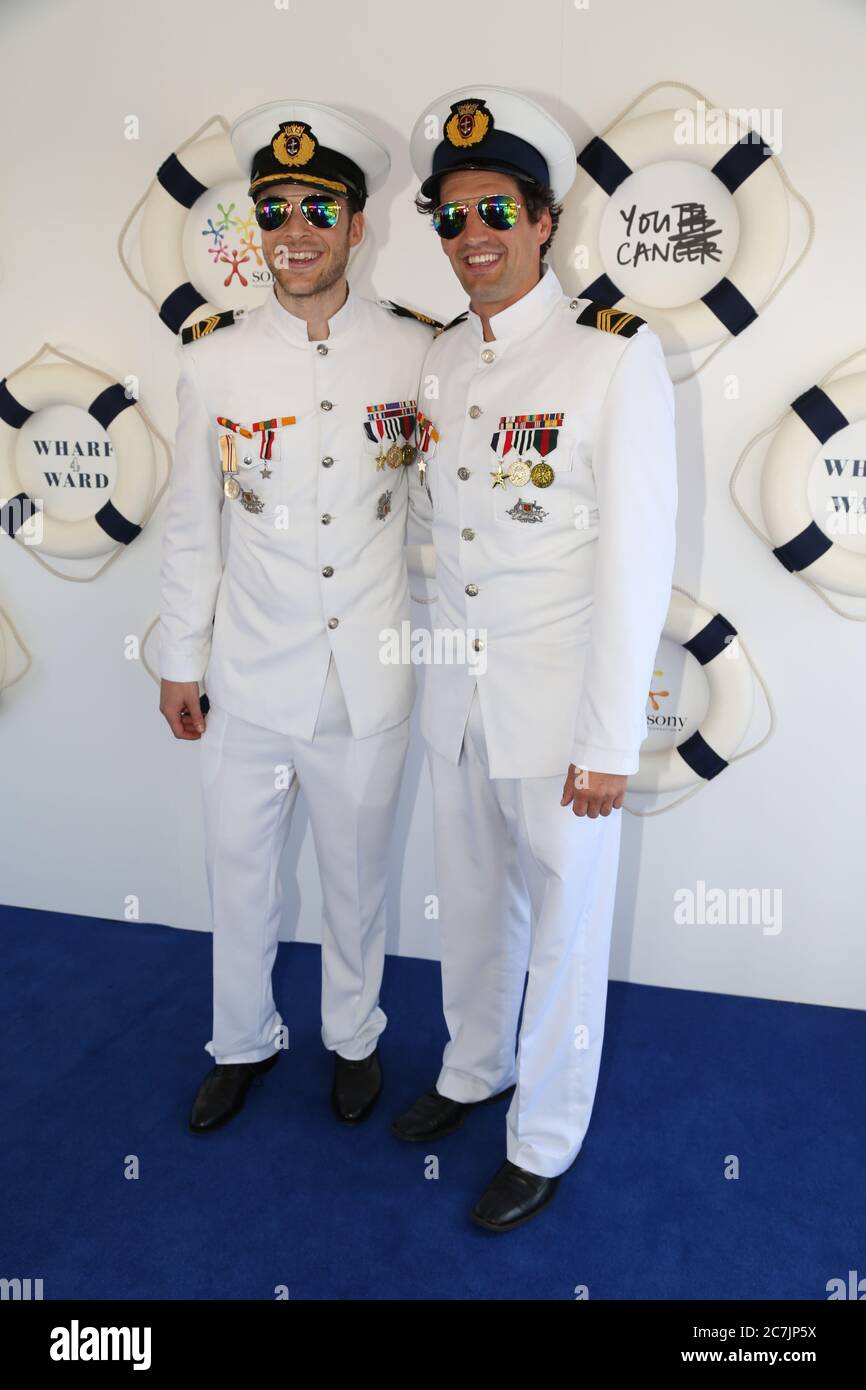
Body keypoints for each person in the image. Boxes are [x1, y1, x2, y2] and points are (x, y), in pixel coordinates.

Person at [393, 86, 678, 1231]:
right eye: (451, 218)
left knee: (561, 926)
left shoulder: (611, 355)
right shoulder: (444, 360)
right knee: (469, 904)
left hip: (563, 708)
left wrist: (611, 736)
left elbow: (635, 561)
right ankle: (472, 1067)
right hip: (458, 694)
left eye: (494, 210)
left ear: (544, 218)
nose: (472, 239)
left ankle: (544, 1133)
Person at [158, 99, 440, 1134]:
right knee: (236, 875)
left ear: (356, 225)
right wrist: (178, 658)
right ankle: (240, 1041)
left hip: (365, 676)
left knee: (357, 879)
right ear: (257, 227)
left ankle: (354, 1037)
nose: (296, 232)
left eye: (319, 210)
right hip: (247, 675)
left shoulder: (415, 353)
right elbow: (193, 526)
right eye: (275, 210)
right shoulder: (211, 360)